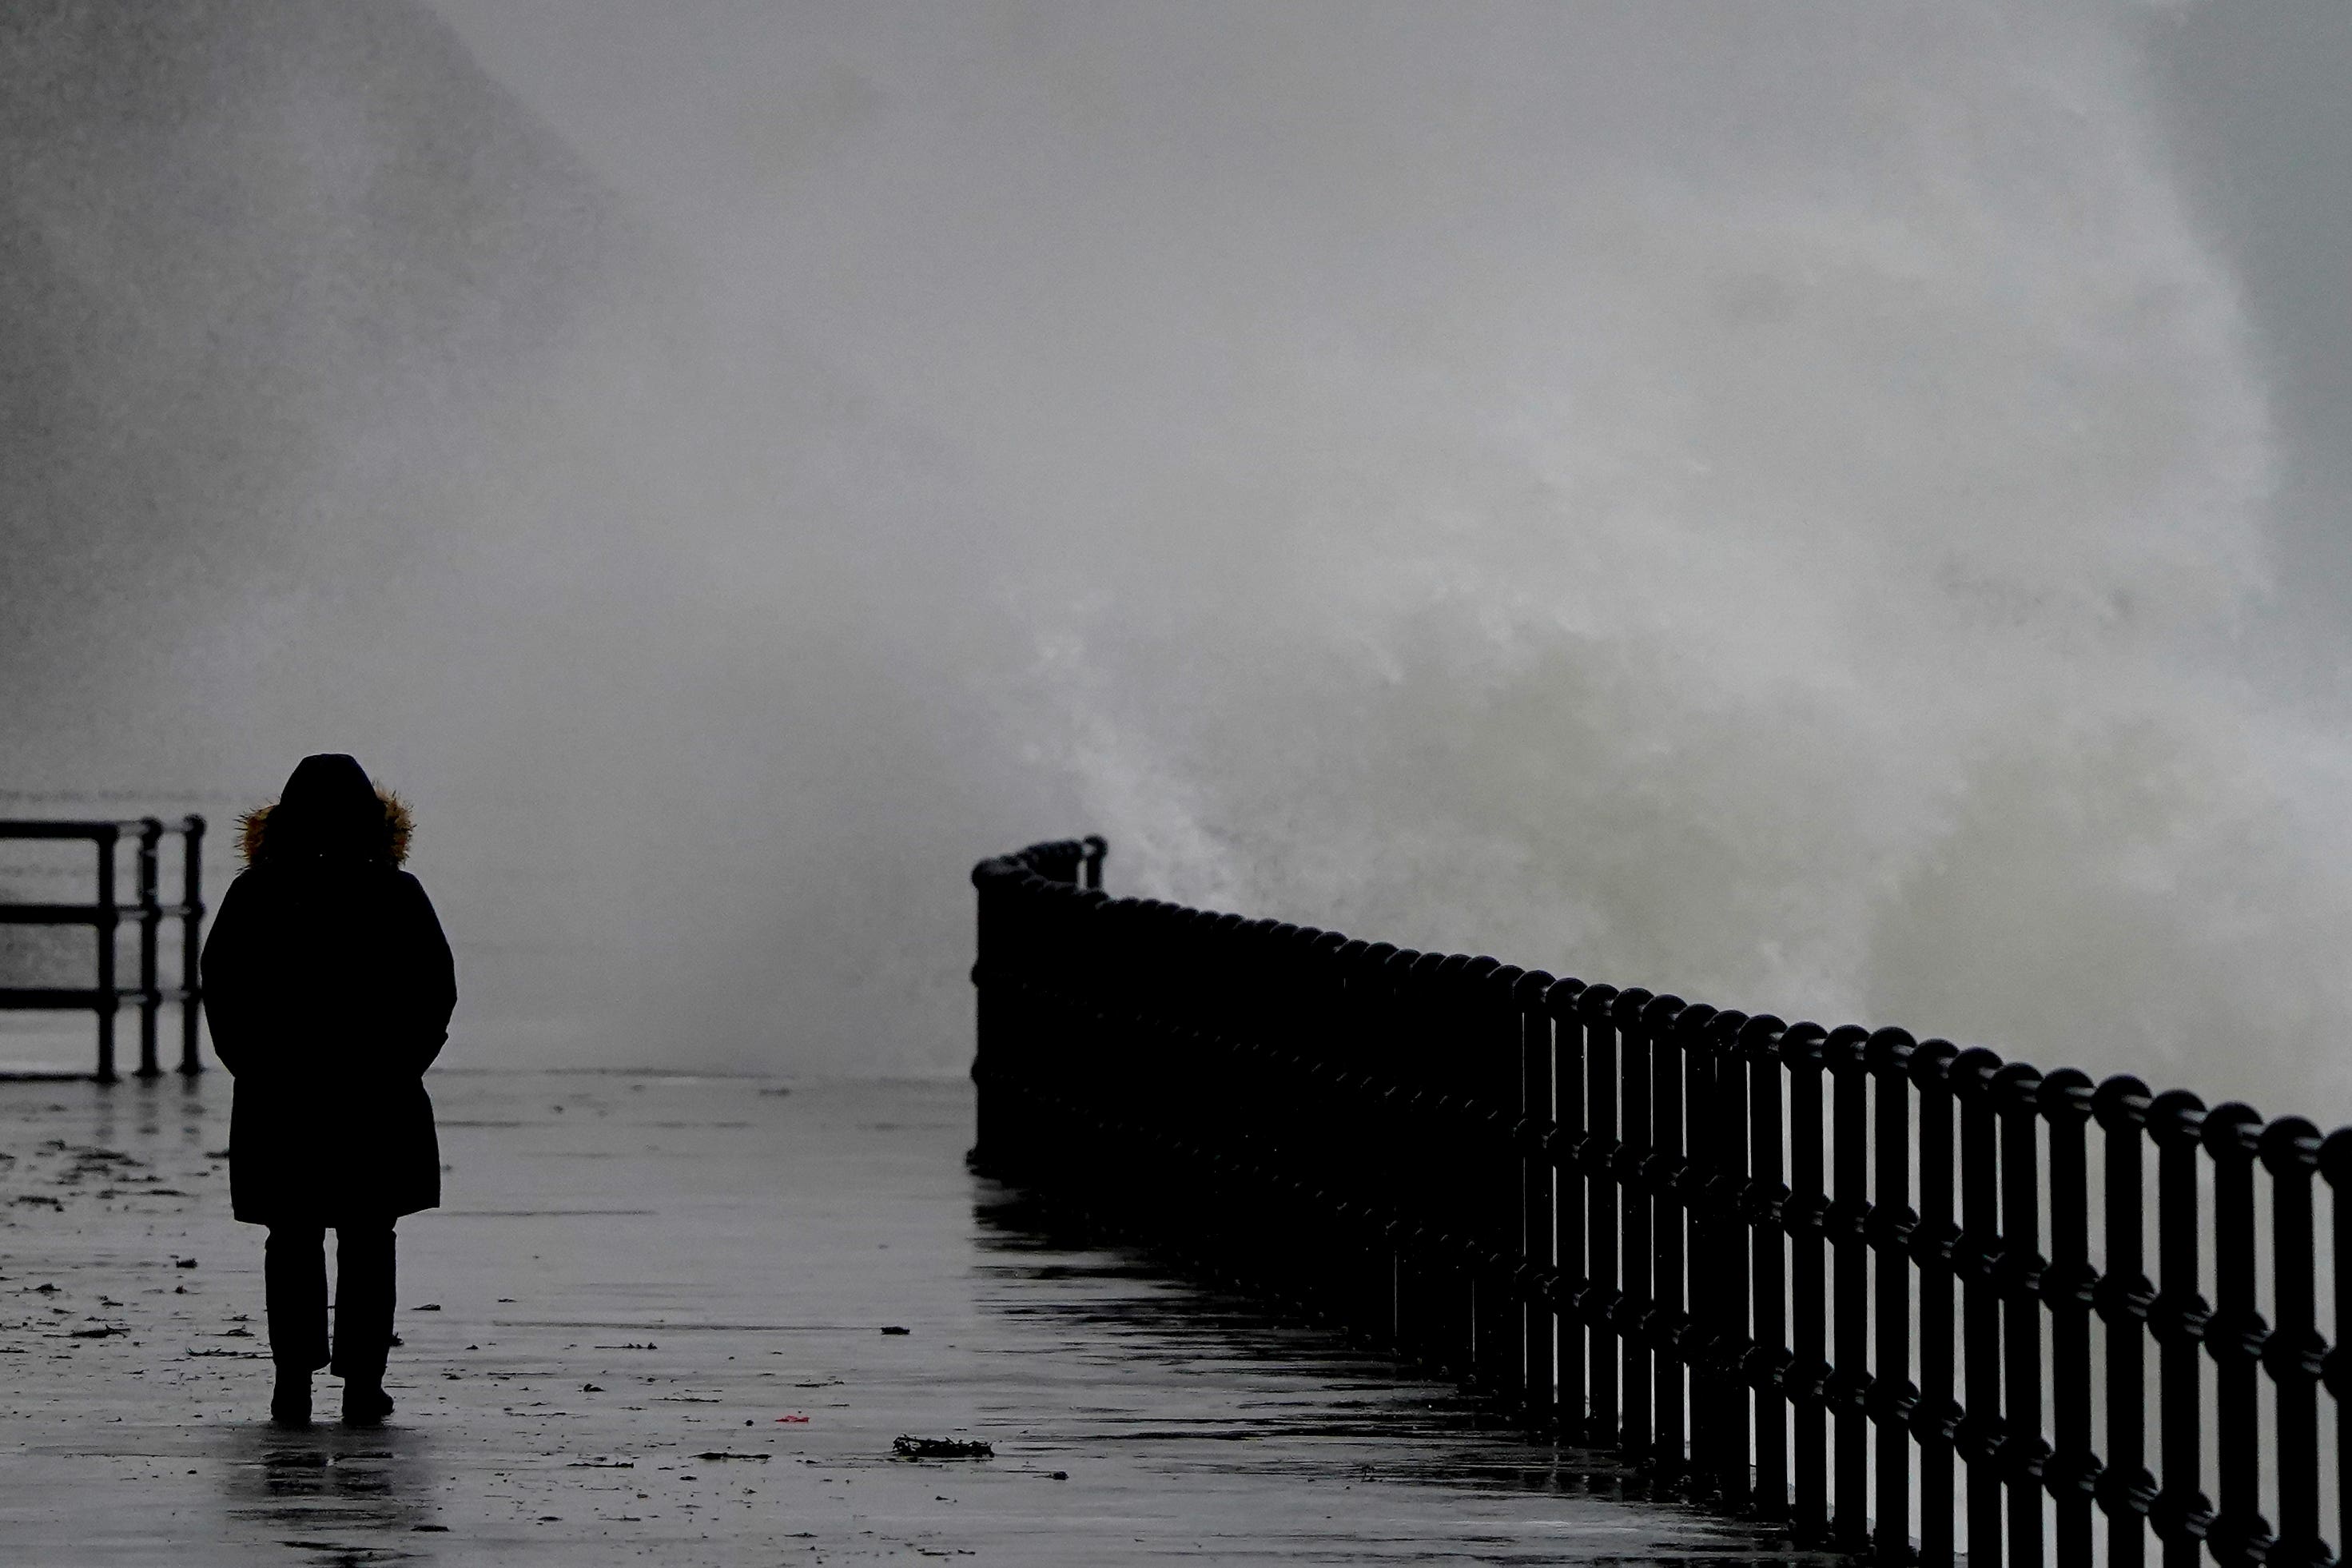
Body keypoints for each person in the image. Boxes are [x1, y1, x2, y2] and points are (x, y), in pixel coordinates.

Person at [200, 754, 456, 1427]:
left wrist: (255, 1067)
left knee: (291, 1238)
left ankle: (292, 1383)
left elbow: (223, 992)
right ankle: (363, 1384)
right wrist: (399, 1068)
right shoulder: (398, 895)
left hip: (280, 1098)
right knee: (371, 1238)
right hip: (377, 1098)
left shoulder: (254, 895)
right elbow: (434, 995)